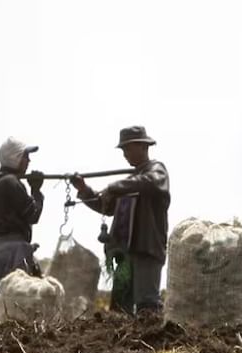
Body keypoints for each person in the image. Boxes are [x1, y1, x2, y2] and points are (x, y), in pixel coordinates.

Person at [71, 126, 170, 315]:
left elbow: (151, 182)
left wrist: (115, 186)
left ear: (143, 147)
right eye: (123, 150)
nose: (125, 154)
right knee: (120, 306)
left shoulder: (157, 171)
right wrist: (84, 189)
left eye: (128, 148)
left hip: (146, 249)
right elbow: (105, 206)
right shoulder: (130, 181)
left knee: (146, 304)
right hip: (124, 254)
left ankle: (151, 341)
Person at [0, 137, 46, 292]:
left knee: (12, 297)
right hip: (12, 252)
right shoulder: (11, 183)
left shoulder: (0, 182)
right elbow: (33, 215)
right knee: (22, 297)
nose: (28, 161)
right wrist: (36, 191)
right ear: (15, 158)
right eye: (25, 156)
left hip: (0, 249)